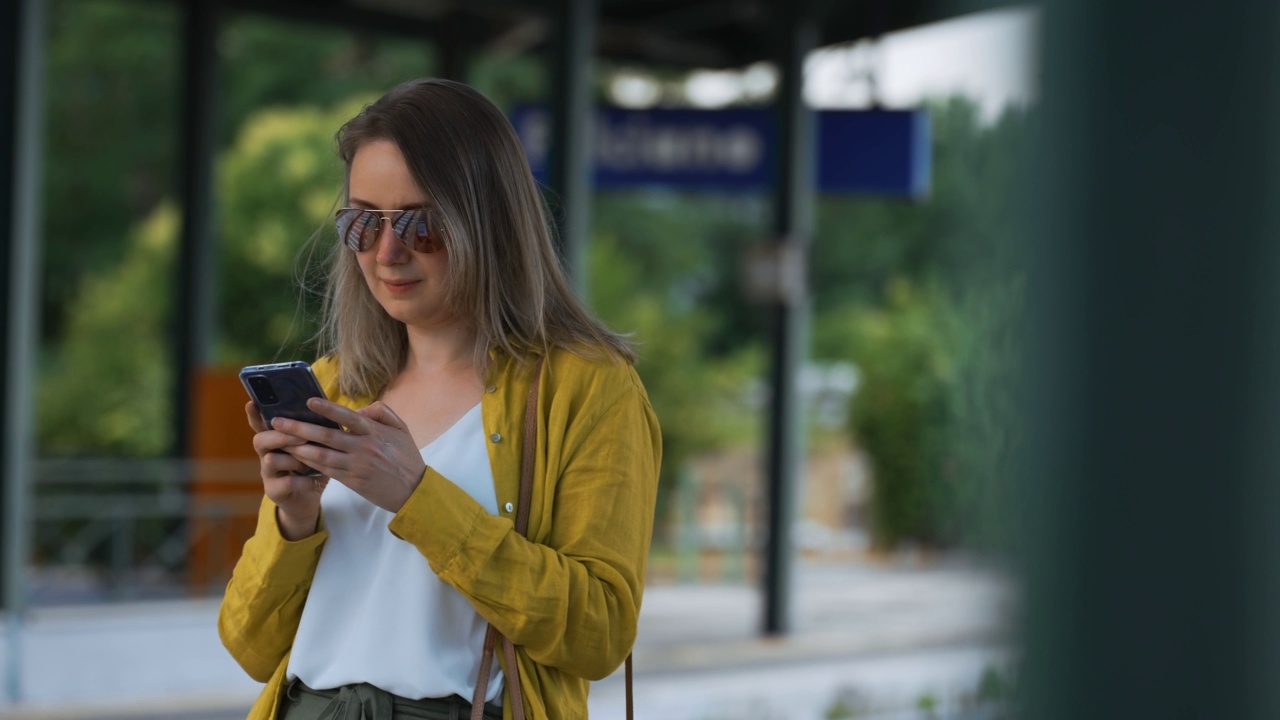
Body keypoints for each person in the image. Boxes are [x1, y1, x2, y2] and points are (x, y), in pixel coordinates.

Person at [218, 78, 662, 720]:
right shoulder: (337, 383)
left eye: (421, 224)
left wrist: (419, 497)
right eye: (363, 222)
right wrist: (294, 520)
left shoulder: (586, 387)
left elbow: (599, 632)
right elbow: (250, 646)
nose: (388, 252)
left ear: (491, 223)